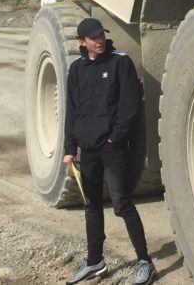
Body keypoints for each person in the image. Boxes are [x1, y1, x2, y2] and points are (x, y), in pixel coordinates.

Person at [63, 17, 155, 284]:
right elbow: (72, 111)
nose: (99, 40)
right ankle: (95, 262)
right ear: (83, 42)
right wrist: (70, 148)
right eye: (93, 38)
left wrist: (116, 138)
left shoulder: (120, 61)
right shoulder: (77, 69)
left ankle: (144, 261)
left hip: (112, 148)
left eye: (101, 36)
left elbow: (130, 104)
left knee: (122, 203)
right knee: (91, 205)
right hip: (87, 149)